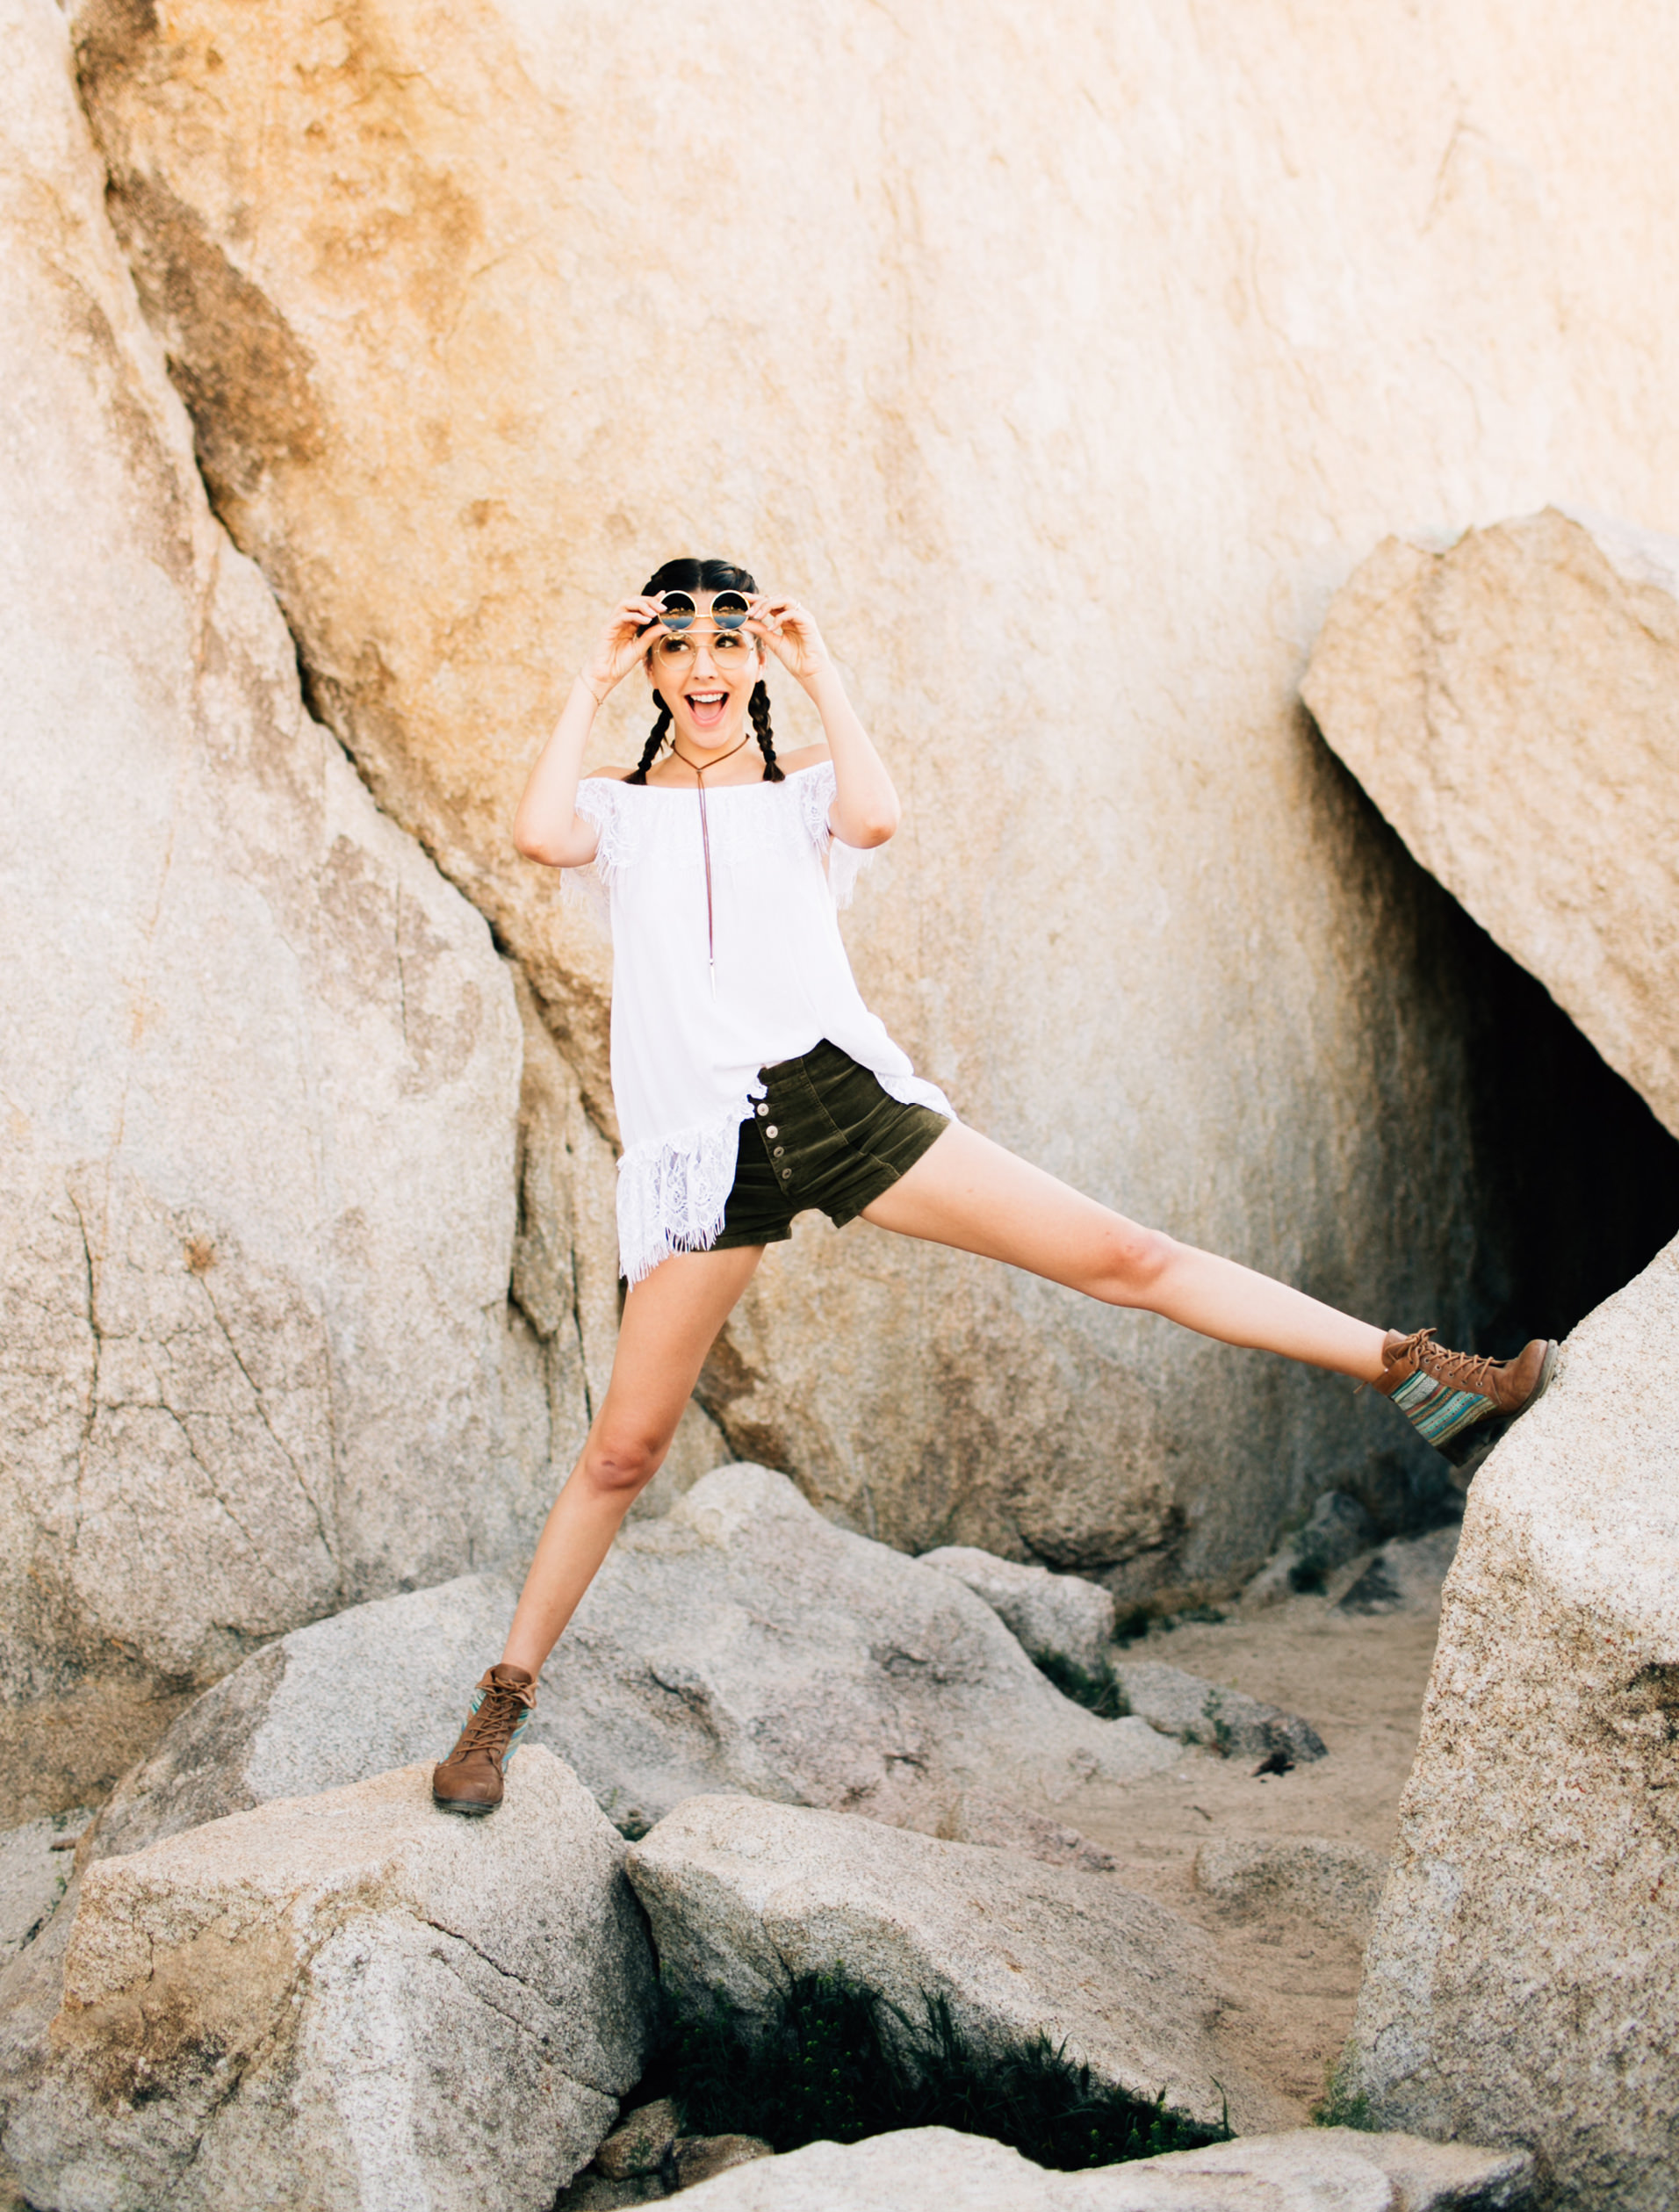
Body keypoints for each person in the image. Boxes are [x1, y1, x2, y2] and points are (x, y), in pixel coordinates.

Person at [431, 558, 1556, 1812]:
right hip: (707, 1152)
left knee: (1126, 1259)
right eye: (679, 645)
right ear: (651, 667)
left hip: (837, 1098)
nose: (704, 665)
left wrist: (823, 672)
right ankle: (503, 1702)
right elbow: (539, 834)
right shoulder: (618, 814)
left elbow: (877, 818)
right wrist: (585, 683)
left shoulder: (803, 796)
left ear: (753, 662)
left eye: (727, 643)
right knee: (625, 1448)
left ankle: (1425, 1376)